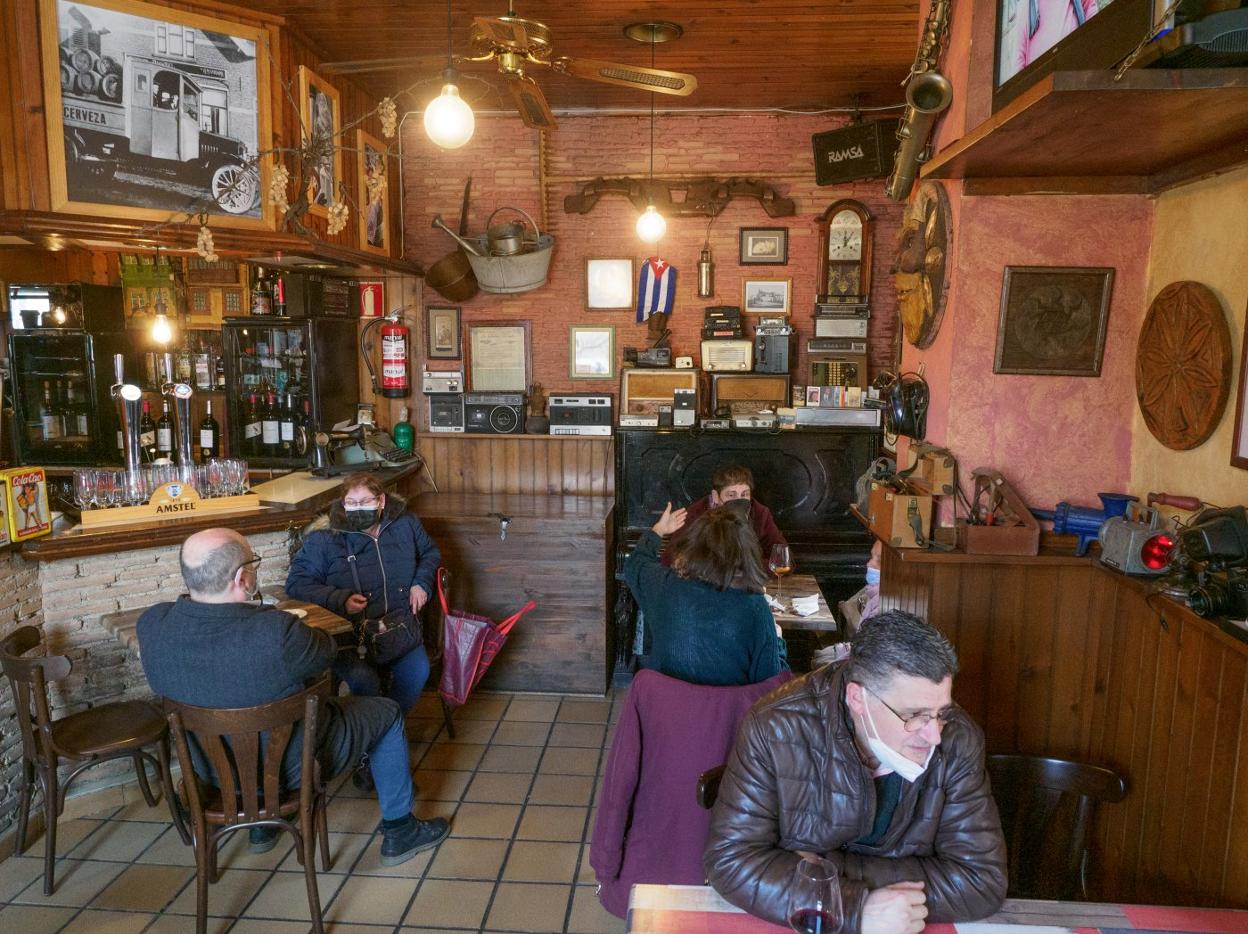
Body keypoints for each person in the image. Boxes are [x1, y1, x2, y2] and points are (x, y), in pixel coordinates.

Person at [137, 528, 449, 864]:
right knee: (387, 713)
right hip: (292, 769)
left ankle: (263, 824)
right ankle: (400, 830)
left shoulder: (152, 625)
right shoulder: (276, 632)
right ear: (242, 578)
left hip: (211, 773)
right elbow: (327, 651)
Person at [704, 610, 1006, 934]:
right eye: (914, 715)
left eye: (941, 713)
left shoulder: (958, 739)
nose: (934, 735)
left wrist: (823, 871)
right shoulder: (775, 726)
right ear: (857, 699)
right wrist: (854, 908)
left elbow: (981, 881)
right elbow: (730, 861)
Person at [286, 473, 438, 716]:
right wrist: (340, 599)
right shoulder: (324, 539)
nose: (359, 508)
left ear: (381, 502)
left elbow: (429, 554)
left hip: (399, 628)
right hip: (348, 638)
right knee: (365, 682)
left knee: (418, 671)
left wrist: (421, 583)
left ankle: (384, 727)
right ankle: (374, 735)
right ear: (343, 504)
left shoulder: (406, 524)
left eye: (366, 501)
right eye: (352, 502)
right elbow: (296, 584)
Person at [625, 501, 786, 687]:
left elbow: (635, 564)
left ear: (693, 544)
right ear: (746, 552)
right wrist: (778, 642)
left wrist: (658, 531)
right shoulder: (756, 608)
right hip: (730, 715)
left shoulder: (664, 585)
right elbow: (771, 685)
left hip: (667, 712)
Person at [661, 465, 786, 566]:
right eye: (731, 495)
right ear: (715, 496)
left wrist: (743, 568)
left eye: (745, 494)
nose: (739, 501)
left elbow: (783, 560)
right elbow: (670, 559)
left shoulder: (760, 513)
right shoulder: (696, 513)